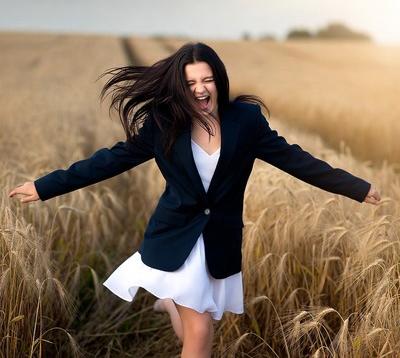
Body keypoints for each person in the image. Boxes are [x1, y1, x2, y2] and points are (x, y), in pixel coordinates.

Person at [9, 42, 381, 358]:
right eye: (190, 83)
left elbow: (297, 160)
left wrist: (356, 187)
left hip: (218, 238)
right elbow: (109, 160)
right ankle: (174, 300)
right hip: (176, 236)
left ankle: (169, 301)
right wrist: (45, 186)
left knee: (197, 331)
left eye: (207, 80)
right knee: (201, 332)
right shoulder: (163, 123)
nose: (200, 89)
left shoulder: (246, 121)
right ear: (179, 88)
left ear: (219, 81)